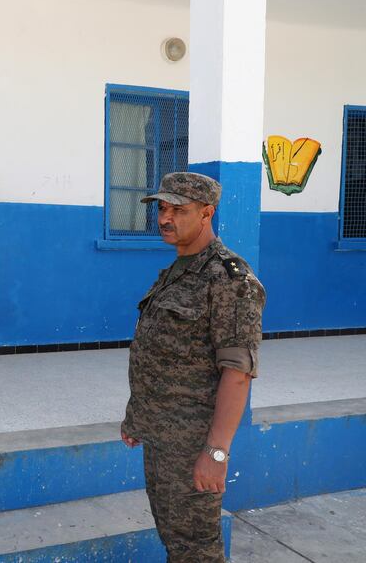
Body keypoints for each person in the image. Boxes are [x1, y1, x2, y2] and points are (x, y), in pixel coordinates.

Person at [120, 172, 266, 562]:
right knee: (174, 537)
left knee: (196, 549)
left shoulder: (229, 279)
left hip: (193, 448)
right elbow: (159, 354)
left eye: (178, 210)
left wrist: (216, 453)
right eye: (162, 209)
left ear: (207, 213)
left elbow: (237, 374)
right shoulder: (177, 272)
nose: (165, 218)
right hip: (161, 439)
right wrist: (138, 416)